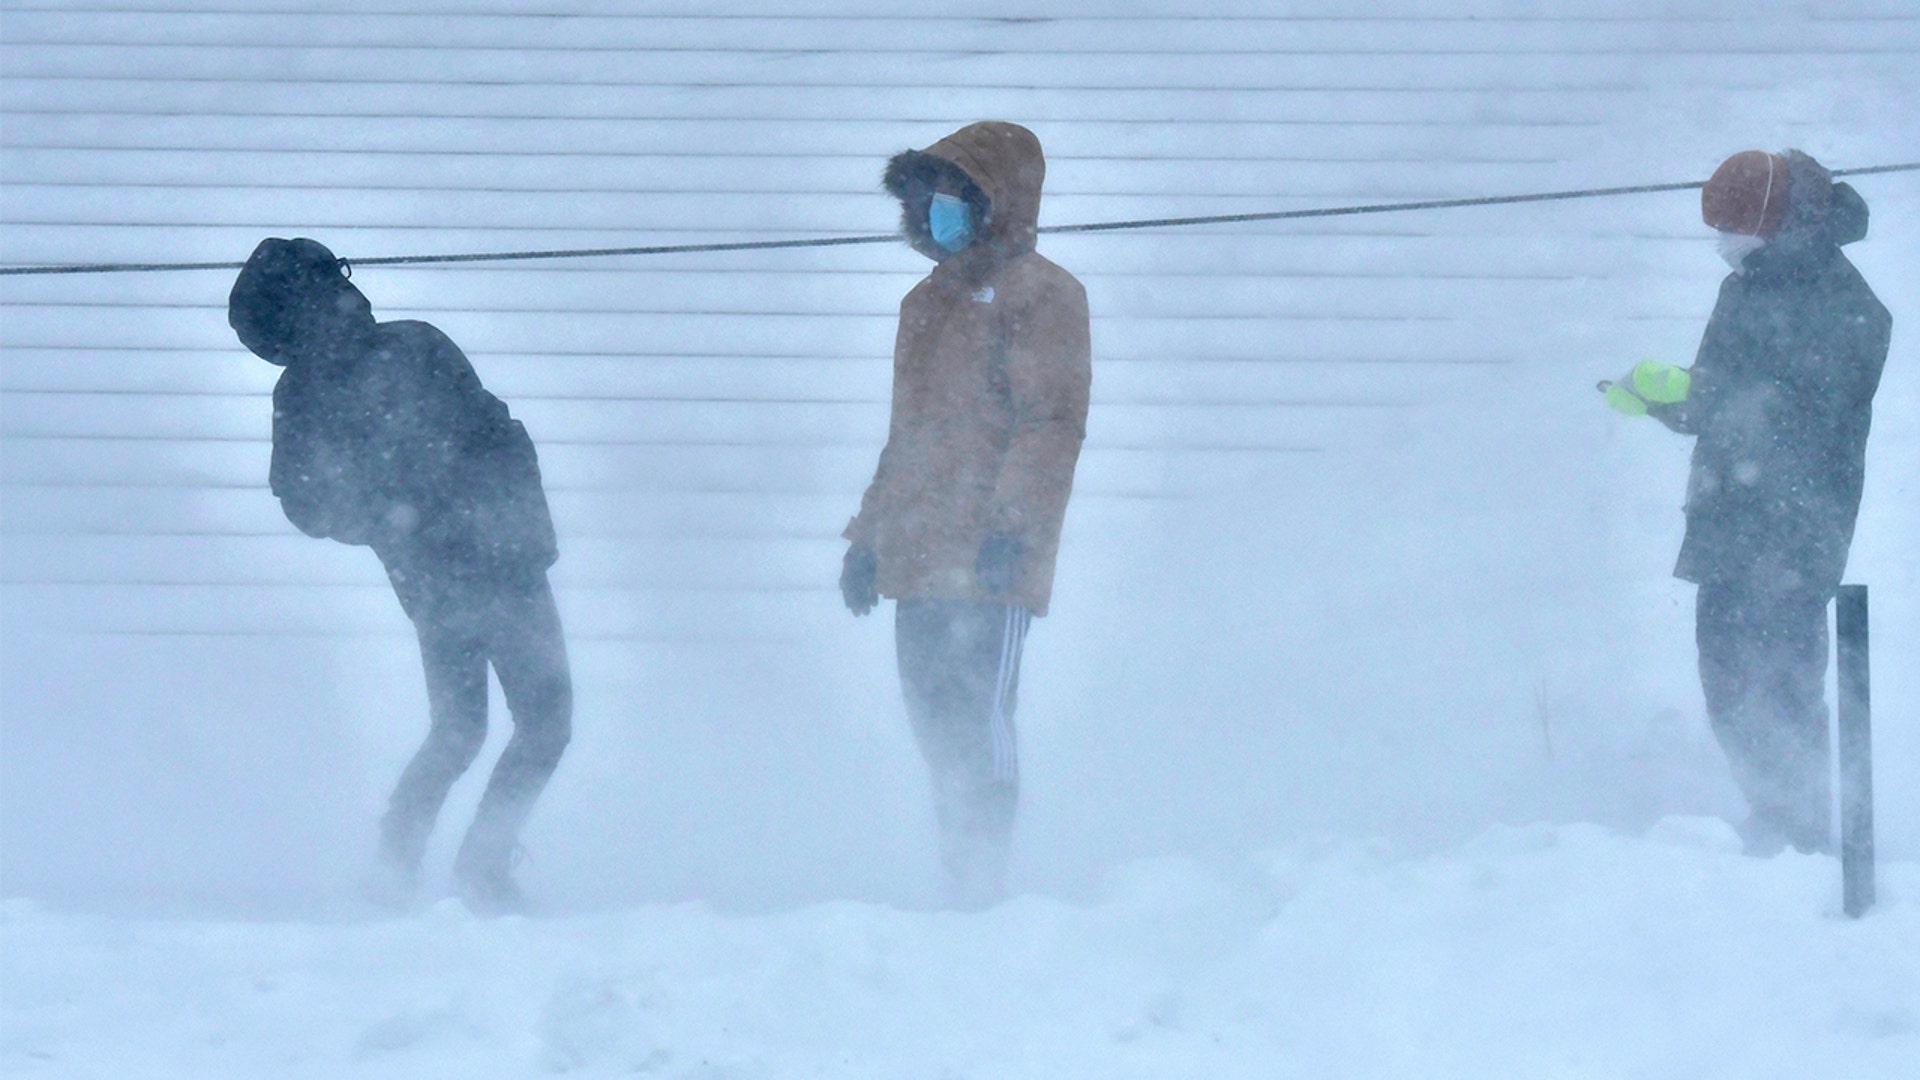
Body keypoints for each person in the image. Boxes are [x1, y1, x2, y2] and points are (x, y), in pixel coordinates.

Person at [228, 238, 571, 912]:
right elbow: (302, 499)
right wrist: (394, 519)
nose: (345, 297)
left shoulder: (412, 346)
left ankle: (451, 866)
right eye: (330, 285)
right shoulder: (317, 386)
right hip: (452, 574)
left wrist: (514, 529)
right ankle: (428, 868)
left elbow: (497, 434)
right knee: (497, 727)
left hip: (500, 561)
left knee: (511, 726)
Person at [841, 122, 1091, 907]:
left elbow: (1050, 423)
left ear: (992, 199)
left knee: (982, 722)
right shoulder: (924, 303)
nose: (931, 211)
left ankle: (988, 884)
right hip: (917, 555)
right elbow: (907, 434)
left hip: (990, 554)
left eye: (946, 195)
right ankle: (958, 874)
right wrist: (866, 539)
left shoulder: (1046, 294)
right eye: (924, 199)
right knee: (934, 726)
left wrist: (1009, 530)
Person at [1639, 151, 1890, 855]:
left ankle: (1806, 832)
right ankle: (1778, 818)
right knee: (1726, 685)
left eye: (1736, 230)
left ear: (1781, 224)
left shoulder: (1847, 303)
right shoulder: (1748, 287)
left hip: (1794, 528)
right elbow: (1725, 396)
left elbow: (1801, 414)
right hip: (1730, 517)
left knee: (1781, 687)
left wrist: (1707, 399)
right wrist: (1667, 397)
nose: (1727, 246)